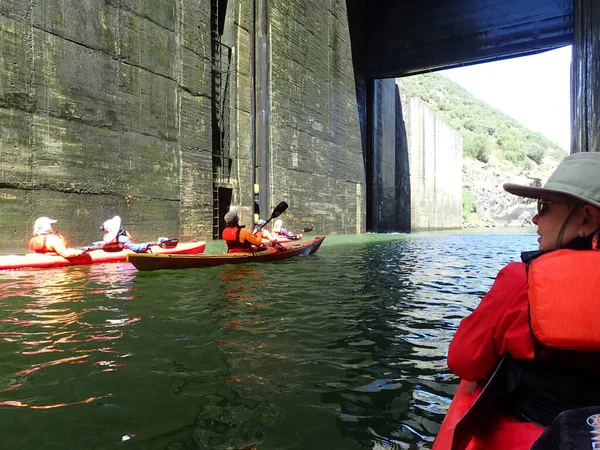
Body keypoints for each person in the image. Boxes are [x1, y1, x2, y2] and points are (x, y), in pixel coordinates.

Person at [441, 152, 600, 449]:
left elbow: (464, 361)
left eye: (545, 207)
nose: (535, 217)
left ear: (587, 219)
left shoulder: (521, 280)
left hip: (535, 428)